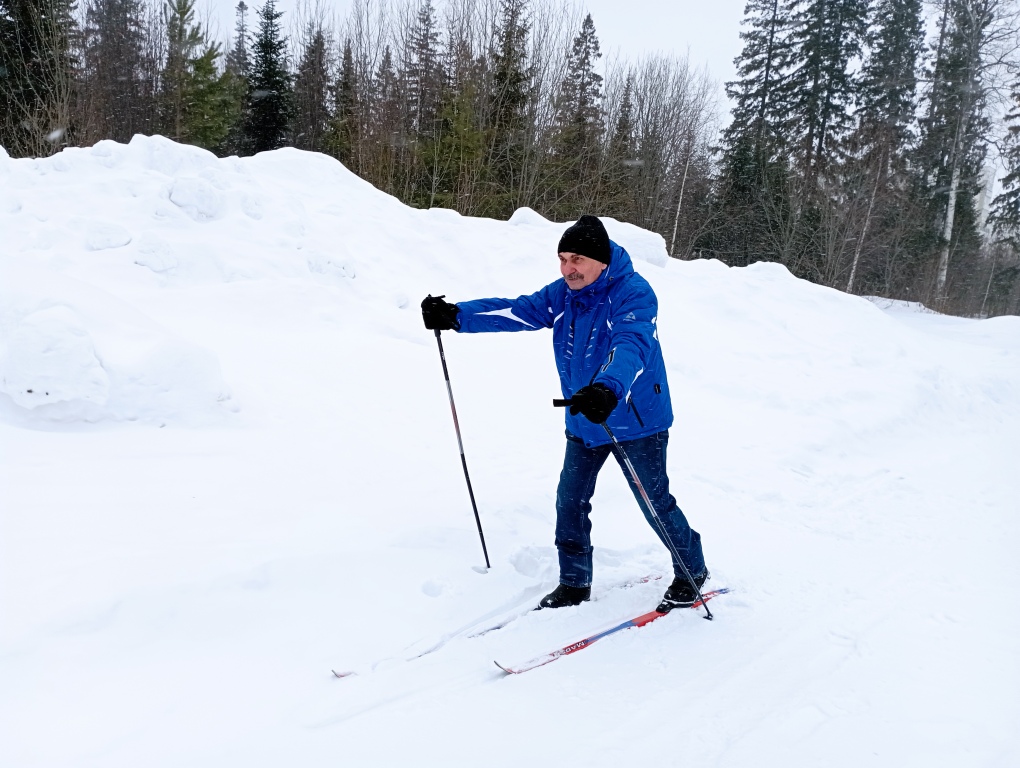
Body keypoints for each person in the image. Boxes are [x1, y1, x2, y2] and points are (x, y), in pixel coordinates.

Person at [421, 215, 707, 611]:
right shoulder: (564, 294)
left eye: (577, 259)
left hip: (634, 419)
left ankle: (691, 569)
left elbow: (632, 345)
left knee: (654, 502)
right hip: (584, 418)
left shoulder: (633, 294)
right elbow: (520, 311)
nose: (568, 268)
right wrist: (458, 316)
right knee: (569, 501)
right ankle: (574, 582)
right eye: (562, 259)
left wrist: (608, 388)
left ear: (601, 261)